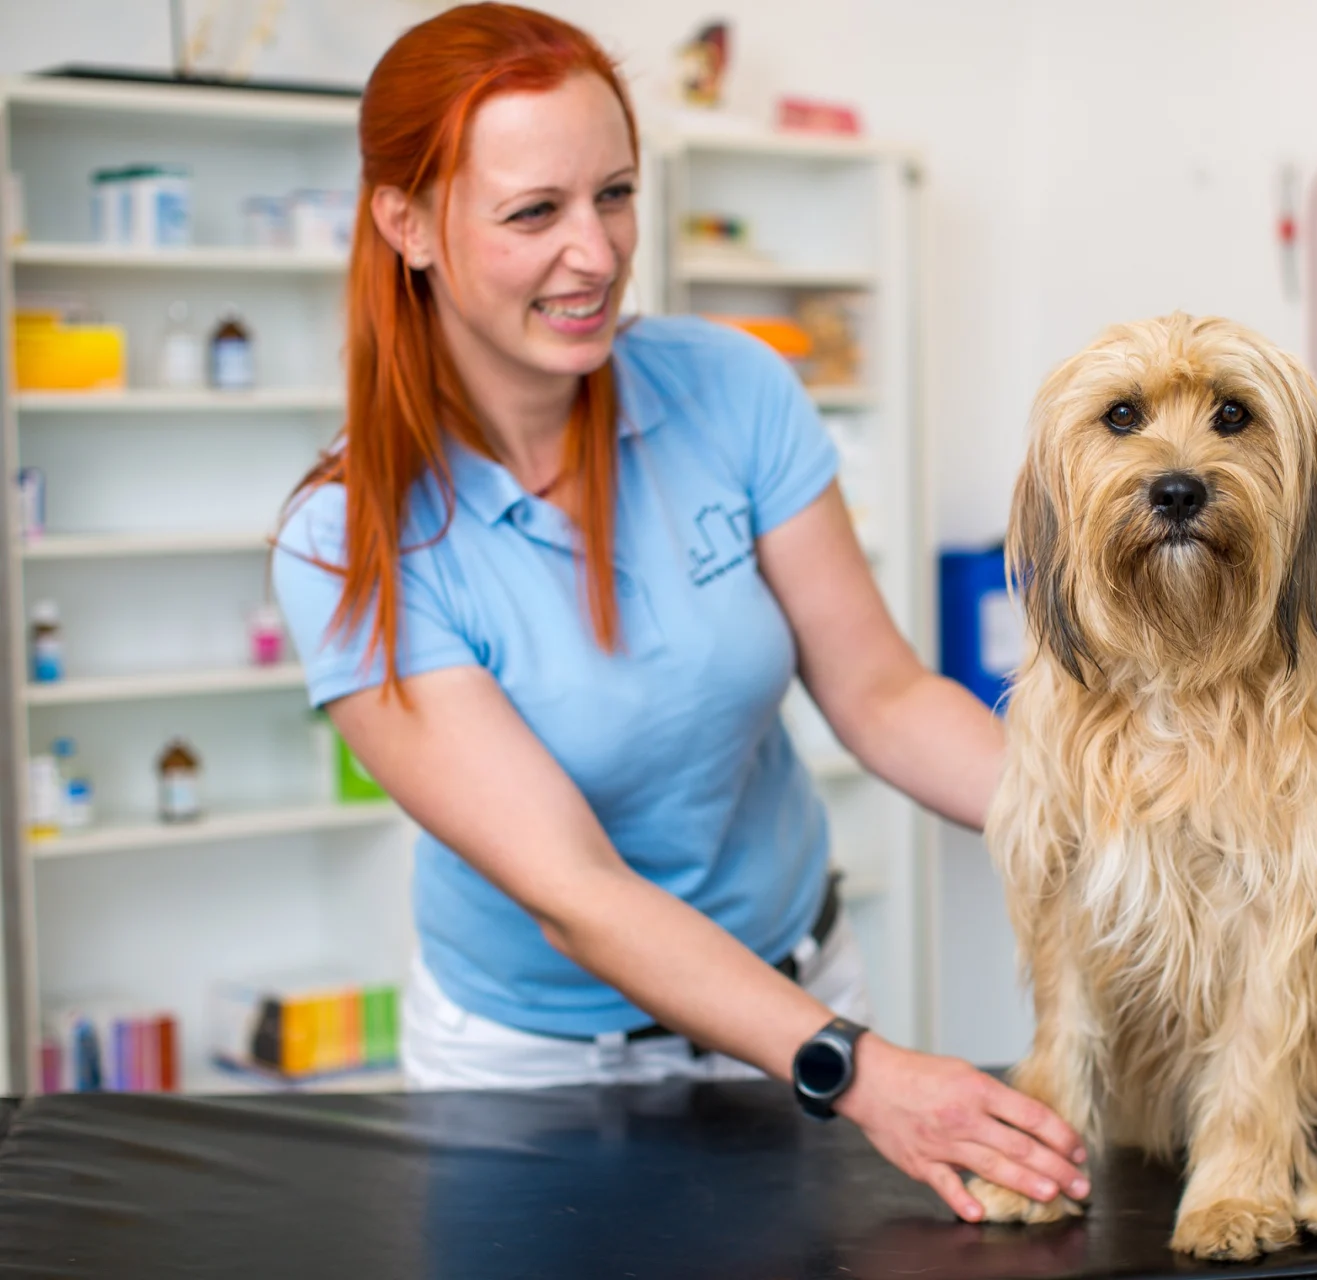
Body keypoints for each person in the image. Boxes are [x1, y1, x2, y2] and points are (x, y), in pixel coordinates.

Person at [271, 2, 1084, 1223]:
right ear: (406, 224)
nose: (595, 253)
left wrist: (1114, 835)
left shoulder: (730, 387)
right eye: (534, 212)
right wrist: (857, 1068)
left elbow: (884, 693)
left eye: (615, 193)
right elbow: (575, 887)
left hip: (801, 974)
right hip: (537, 1072)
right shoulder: (353, 541)